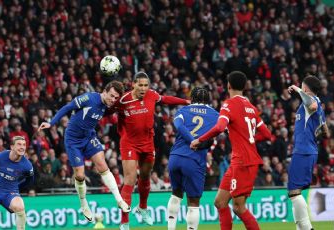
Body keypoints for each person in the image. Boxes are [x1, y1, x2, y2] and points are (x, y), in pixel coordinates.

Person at [38, 80, 130, 222]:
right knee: (80, 175)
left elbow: (116, 108)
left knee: (102, 166)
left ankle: (119, 200)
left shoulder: (107, 105)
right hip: (73, 140)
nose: (113, 99)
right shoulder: (89, 98)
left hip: (88, 137)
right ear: (104, 91)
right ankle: (83, 204)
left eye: (115, 97)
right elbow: (67, 107)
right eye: (111, 95)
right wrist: (51, 122)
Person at [192, 71, 272, 230]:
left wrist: (199, 139)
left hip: (243, 161)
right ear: (244, 87)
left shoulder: (228, 105)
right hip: (240, 160)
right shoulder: (251, 108)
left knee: (238, 207)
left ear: (228, 86)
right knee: (220, 202)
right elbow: (267, 134)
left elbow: (220, 127)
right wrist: (249, 139)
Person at [114, 71, 189, 230]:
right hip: (129, 144)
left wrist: (186, 101)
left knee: (146, 176)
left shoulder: (152, 95)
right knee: (130, 180)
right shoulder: (123, 101)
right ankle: (124, 222)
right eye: (140, 85)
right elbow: (106, 109)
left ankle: (142, 208)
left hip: (148, 143)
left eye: (145, 85)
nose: (143, 88)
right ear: (133, 84)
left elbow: (167, 99)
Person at [167, 87, 219, 230]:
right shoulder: (215, 115)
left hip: (175, 157)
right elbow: (224, 130)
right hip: (194, 160)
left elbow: (178, 124)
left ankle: (170, 228)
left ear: (192, 98)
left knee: (176, 194)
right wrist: (196, 141)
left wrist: (190, 138)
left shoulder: (183, 110)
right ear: (207, 100)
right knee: (193, 202)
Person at [286, 76, 328, 230]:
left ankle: (308, 228)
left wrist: (296, 90)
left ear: (305, 88)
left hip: (303, 151)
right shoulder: (320, 105)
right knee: (297, 192)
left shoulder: (312, 102)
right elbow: (326, 132)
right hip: (309, 151)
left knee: (294, 192)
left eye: (301, 86)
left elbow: (312, 106)